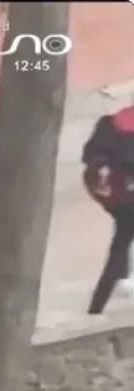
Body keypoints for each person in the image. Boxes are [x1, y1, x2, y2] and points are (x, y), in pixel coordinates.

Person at [82, 104, 134, 315]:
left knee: (123, 233)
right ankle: (97, 306)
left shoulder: (108, 123)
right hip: (127, 196)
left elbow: (88, 155)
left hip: (106, 194)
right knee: (121, 242)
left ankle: (119, 276)